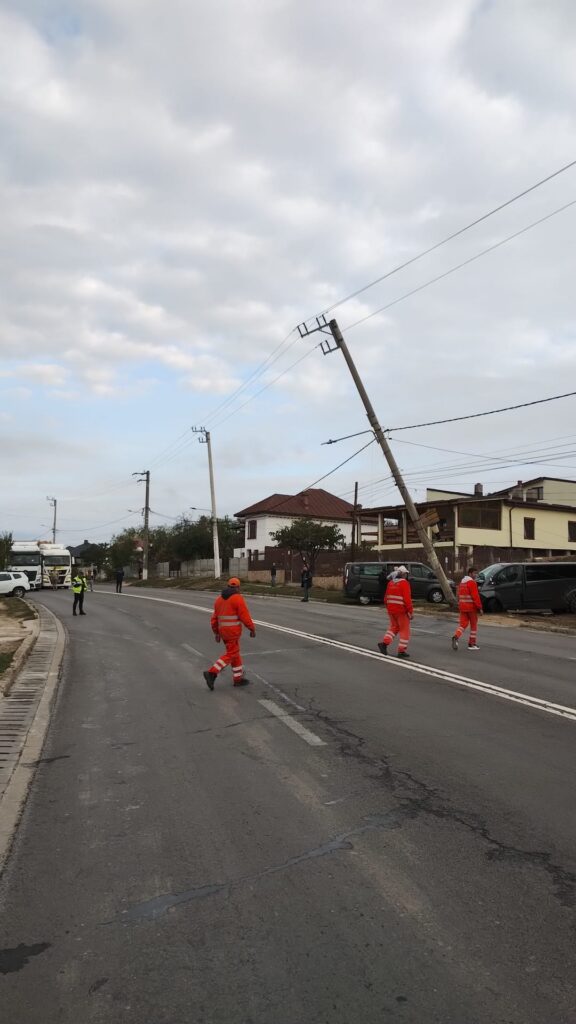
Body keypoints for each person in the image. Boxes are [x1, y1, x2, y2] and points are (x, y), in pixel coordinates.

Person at [203, 578, 256, 690]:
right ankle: (212, 673)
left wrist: (216, 633)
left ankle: (238, 679)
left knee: (234, 654)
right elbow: (245, 616)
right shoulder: (238, 598)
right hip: (233, 632)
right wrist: (252, 629)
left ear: (228, 586)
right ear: (238, 587)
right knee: (232, 653)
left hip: (223, 632)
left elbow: (214, 619)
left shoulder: (219, 600)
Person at [378, 565, 413, 658]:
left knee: (394, 628)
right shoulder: (404, 583)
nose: (406, 575)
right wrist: (410, 611)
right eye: (406, 574)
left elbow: (385, 599)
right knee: (404, 630)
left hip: (391, 610)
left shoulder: (390, 583)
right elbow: (407, 599)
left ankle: (384, 644)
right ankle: (401, 651)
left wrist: (389, 608)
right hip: (401, 611)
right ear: (403, 574)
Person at [452, 567, 483, 651]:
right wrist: (480, 608)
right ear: (470, 574)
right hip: (471, 608)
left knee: (463, 624)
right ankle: (471, 644)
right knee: (473, 625)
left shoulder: (462, 582)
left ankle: (456, 636)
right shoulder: (472, 583)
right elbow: (475, 596)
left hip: (462, 607)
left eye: (476, 573)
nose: (476, 575)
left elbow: (459, 595)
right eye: (474, 573)